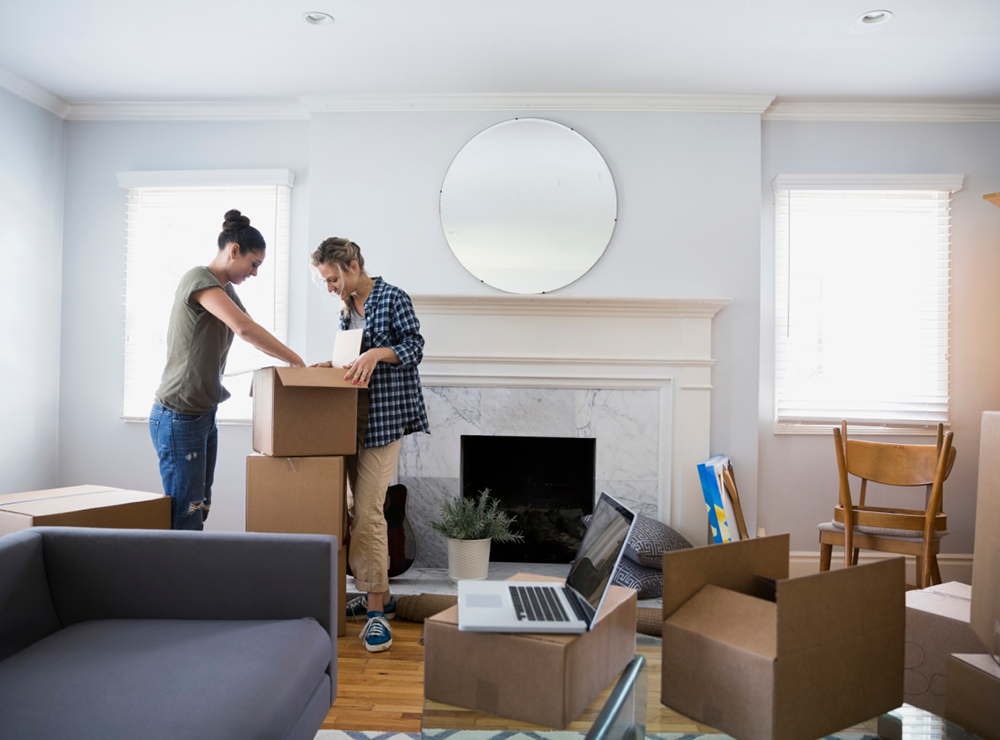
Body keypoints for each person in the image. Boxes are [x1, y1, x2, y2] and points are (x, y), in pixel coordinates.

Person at [150, 209, 304, 530]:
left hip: (203, 414)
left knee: (200, 508)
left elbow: (250, 330)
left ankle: (192, 577)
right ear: (234, 251)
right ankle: (177, 580)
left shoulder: (224, 290)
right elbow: (244, 329)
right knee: (186, 515)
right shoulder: (199, 279)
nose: (255, 273)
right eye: (254, 264)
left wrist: (267, 373)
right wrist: (295, 360)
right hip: (179, 415)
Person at [310, 237, 429, 653]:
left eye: (332, 279)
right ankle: (377, 596)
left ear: (353, 266)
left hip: (384, 419)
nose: (329, 288)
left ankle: (377, 613)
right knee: (348, 509)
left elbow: (414, 347)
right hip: (350, 419)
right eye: (324, 281)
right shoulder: (346, 309)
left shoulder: (393, 298)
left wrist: (378, 353)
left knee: (370, 511)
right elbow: (351, 357)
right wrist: (333, 365)